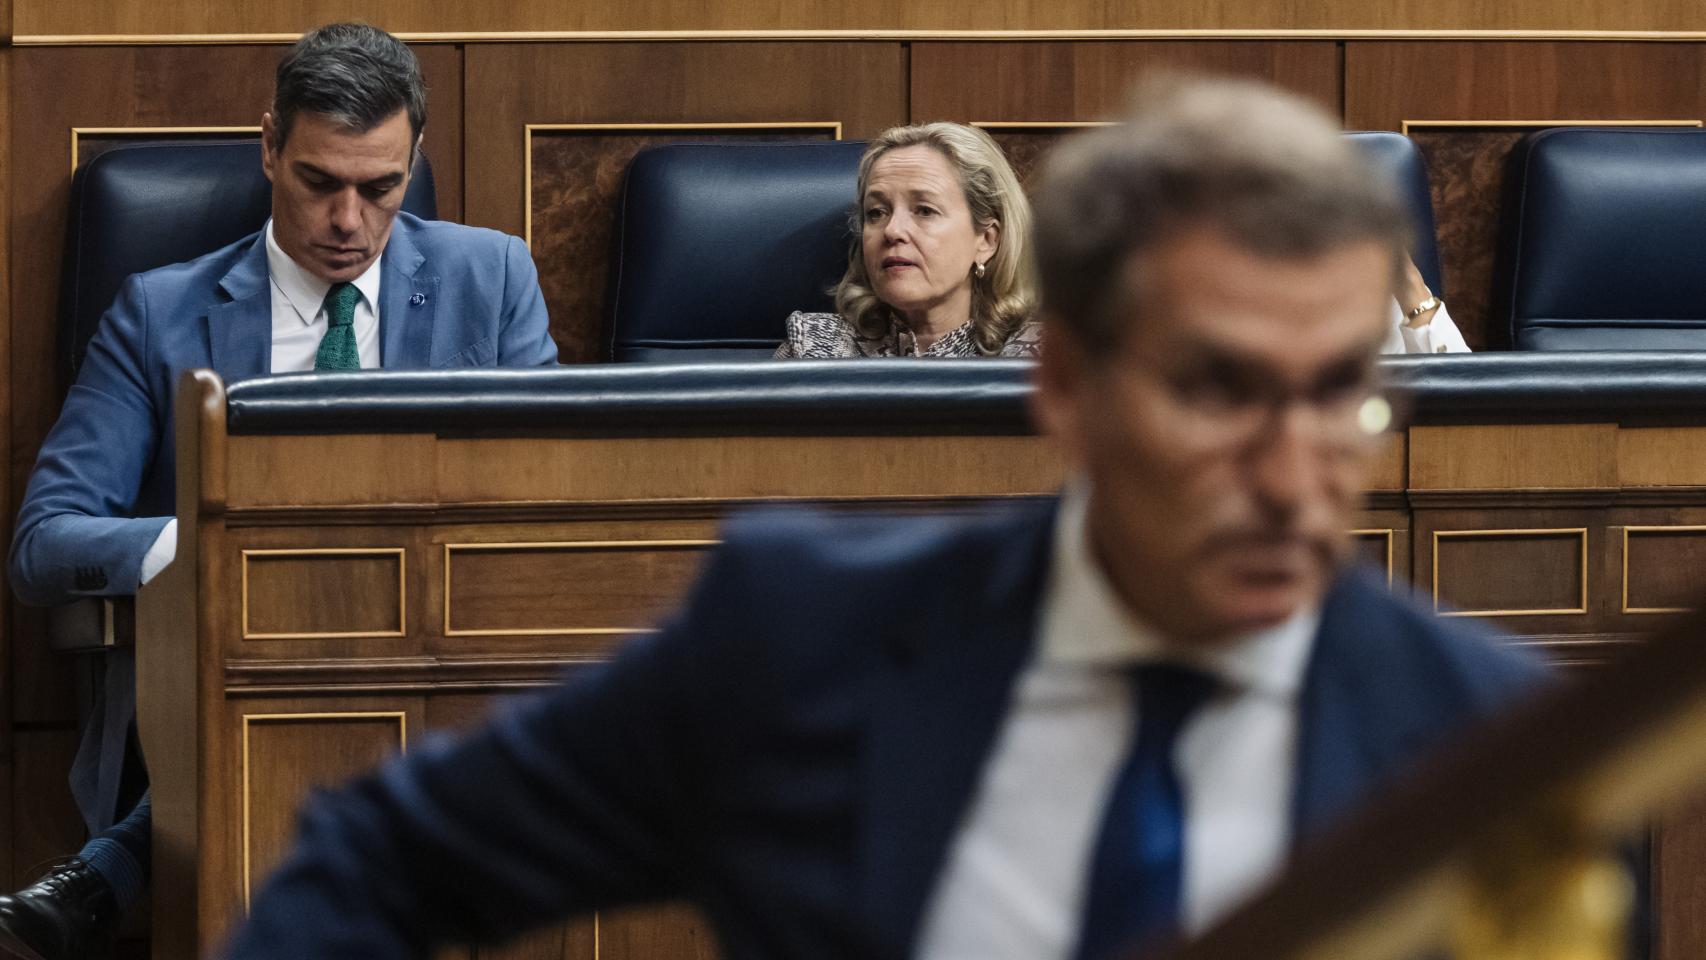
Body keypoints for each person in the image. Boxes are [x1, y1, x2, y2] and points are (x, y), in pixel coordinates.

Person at [225, 77, 1543, 960]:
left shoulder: (1503, 745)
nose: (1293, 475)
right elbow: (378, 857)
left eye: (1339, 396)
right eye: (1216, 391)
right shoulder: (804, 642)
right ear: (1067, 388)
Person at [0, 22, 558, 960]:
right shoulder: (159, 312)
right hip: (227, 668)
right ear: (269, 147)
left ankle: (111, 869)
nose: (348, 221)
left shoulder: (492, 278)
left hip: (443, 654)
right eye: (318, 182)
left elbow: (540, 505)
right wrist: (212, 547)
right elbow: (44, 544)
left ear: (415, 158)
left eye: (380, 188)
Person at [773, 122, 1041, 358]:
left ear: (986, 240)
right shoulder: (812, 346)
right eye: (876, 213)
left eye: (925, 210)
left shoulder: (1038, 355)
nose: (893, 231)